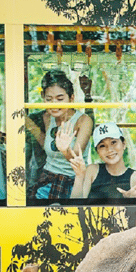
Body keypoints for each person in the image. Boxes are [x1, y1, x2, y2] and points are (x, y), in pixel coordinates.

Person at [31, 70, 94, 200]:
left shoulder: (83, 120)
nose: (54, 104)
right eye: (49, 99)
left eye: (60, 99)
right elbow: (46, 144)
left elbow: (77, 160)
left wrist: (65, 150)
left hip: (73, 183)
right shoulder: (48, 117)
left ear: (71, 98)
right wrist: (26, 122)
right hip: (47, 182)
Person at [69, 122, 136, 199]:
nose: (109, 150)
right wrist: (79, 176)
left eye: (113, 142)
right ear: (98, 152)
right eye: (102, 146)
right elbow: (76, 206)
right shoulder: (92, 171)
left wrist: (129, 201)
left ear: (123, 144)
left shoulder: (135, 178)